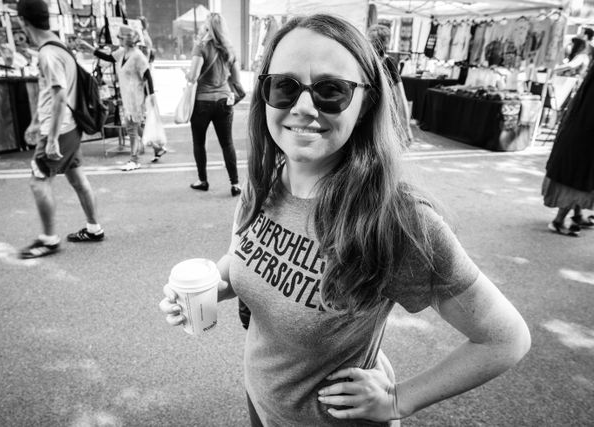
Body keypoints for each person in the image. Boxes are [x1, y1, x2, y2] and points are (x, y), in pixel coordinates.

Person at [160, 14, 530, 426]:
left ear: (366, 102)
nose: (302, 107)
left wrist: (397, 400)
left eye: (330, 90)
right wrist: (212, 284)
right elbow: (242, 259)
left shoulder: (396, 219)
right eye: (284, 86)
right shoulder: (266, 177)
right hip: (263, 404)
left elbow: (503, 338)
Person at [17, 0, 104, 259]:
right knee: (77, 178)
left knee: (38, 182)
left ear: (23, 21)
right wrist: (35, 122)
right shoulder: (58, 45)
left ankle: (48, 240)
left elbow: (58, 96)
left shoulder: (48, 53)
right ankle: (94, 228)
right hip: (70, 126)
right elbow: (50, 92)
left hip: (59, 129)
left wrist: (52, 138)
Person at [78, 25, 165, 170]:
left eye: (119, 37)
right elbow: (107, 57)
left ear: (126, 39)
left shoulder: (137, 56)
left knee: (131, 128)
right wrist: (87, 46)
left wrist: (151, 97)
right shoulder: (122, 53)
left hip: (136, 97)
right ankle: (157, 148)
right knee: (135, 127)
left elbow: (147, 76)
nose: (117, 39)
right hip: (127, 97)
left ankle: (134, 159)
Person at [184, 12, 242, 197]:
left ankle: (203, 180)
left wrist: (186, 73)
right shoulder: (229, 49)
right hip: (224, 101)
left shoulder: (201, 46)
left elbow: (193, 76)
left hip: (202, 101)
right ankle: (235, 184)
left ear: (206, 27)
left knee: (199, 143)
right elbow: (237, 82)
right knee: (227, 143)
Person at [543, 62, 594, 236]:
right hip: (583, 136)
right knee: (575, 178)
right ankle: (558, 220)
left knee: (582, 177)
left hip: (581, 133)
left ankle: (577, 213)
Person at [367, 23, 414, 145]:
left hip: (382, 113)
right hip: (367, 112)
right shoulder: (365, 61)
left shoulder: (388, 62)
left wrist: (406, 128)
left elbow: (400, 94)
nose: (370, 44)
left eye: (373, 41)